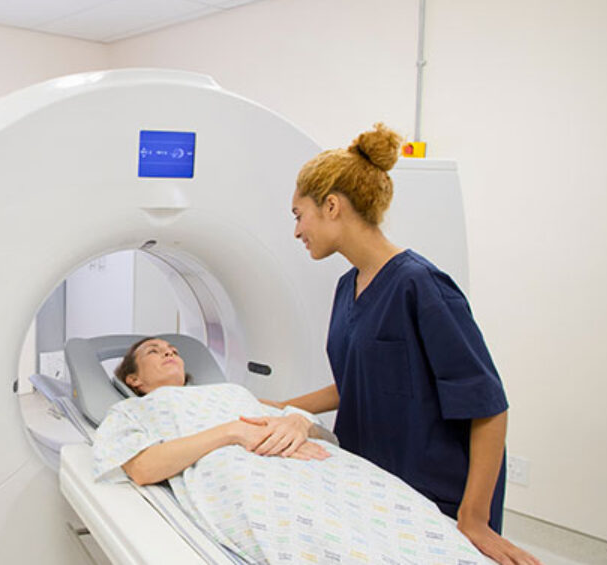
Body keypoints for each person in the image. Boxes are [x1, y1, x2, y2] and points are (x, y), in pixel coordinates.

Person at [269, 123, 539, 564]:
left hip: (436, 498)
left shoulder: (421, 286)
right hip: (374, 486)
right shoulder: (346, 288)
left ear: (331, 206)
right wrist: (280, 407)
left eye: (299, 215)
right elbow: (359, 383)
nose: (297, 230)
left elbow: (488, 405)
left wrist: (474, 519)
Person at [93, 337, 495, 564]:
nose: (168, 352)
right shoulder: (134, 409)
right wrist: (231, 433)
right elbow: (143, 468)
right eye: (153, 351)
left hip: (315, 463)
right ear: (134, 378)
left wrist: (299, 422)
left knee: (401, 513)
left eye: (172, 349)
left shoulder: (233, 392)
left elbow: (319, 433)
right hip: (239, 469)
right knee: (330, 536)